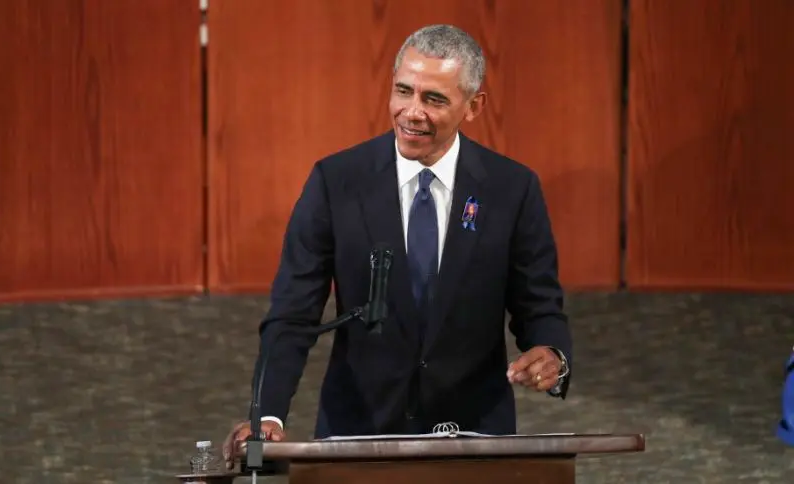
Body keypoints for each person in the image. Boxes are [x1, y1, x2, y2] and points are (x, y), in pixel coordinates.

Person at [223, 24, 572, 466]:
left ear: (474, 106)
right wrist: (268, 414)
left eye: (434, 99)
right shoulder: (337, 182)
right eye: (403, 91)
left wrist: (553, 354)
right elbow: (293, 313)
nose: (412, 112)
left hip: (472, 435)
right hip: (358, 430)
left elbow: (539, 304)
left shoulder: (512, 189)